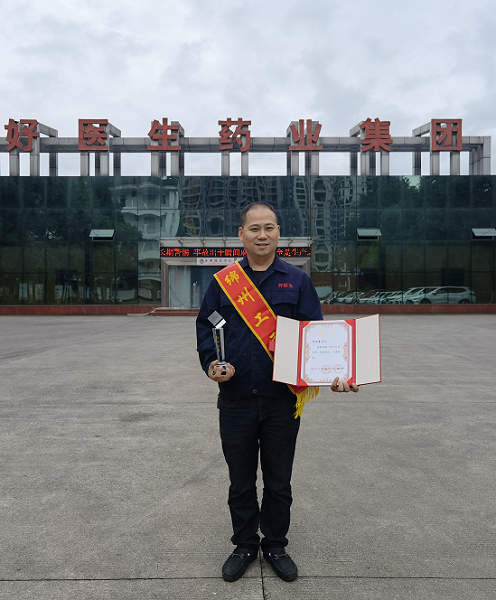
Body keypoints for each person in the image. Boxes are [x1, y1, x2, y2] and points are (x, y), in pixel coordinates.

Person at [196, 202, 358, 582]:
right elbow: (207, 327)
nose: (262, 235)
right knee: (240, 481)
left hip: (282, 400)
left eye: (269, 227)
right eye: (254, 228)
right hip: (235, 398)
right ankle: (244, 544)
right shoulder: (224, 283)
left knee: (279, 481)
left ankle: (275, 545)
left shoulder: (297, 281)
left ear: (278, 232)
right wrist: (212, 363)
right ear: (241, 234)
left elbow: (318, 338)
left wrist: (337, 373)